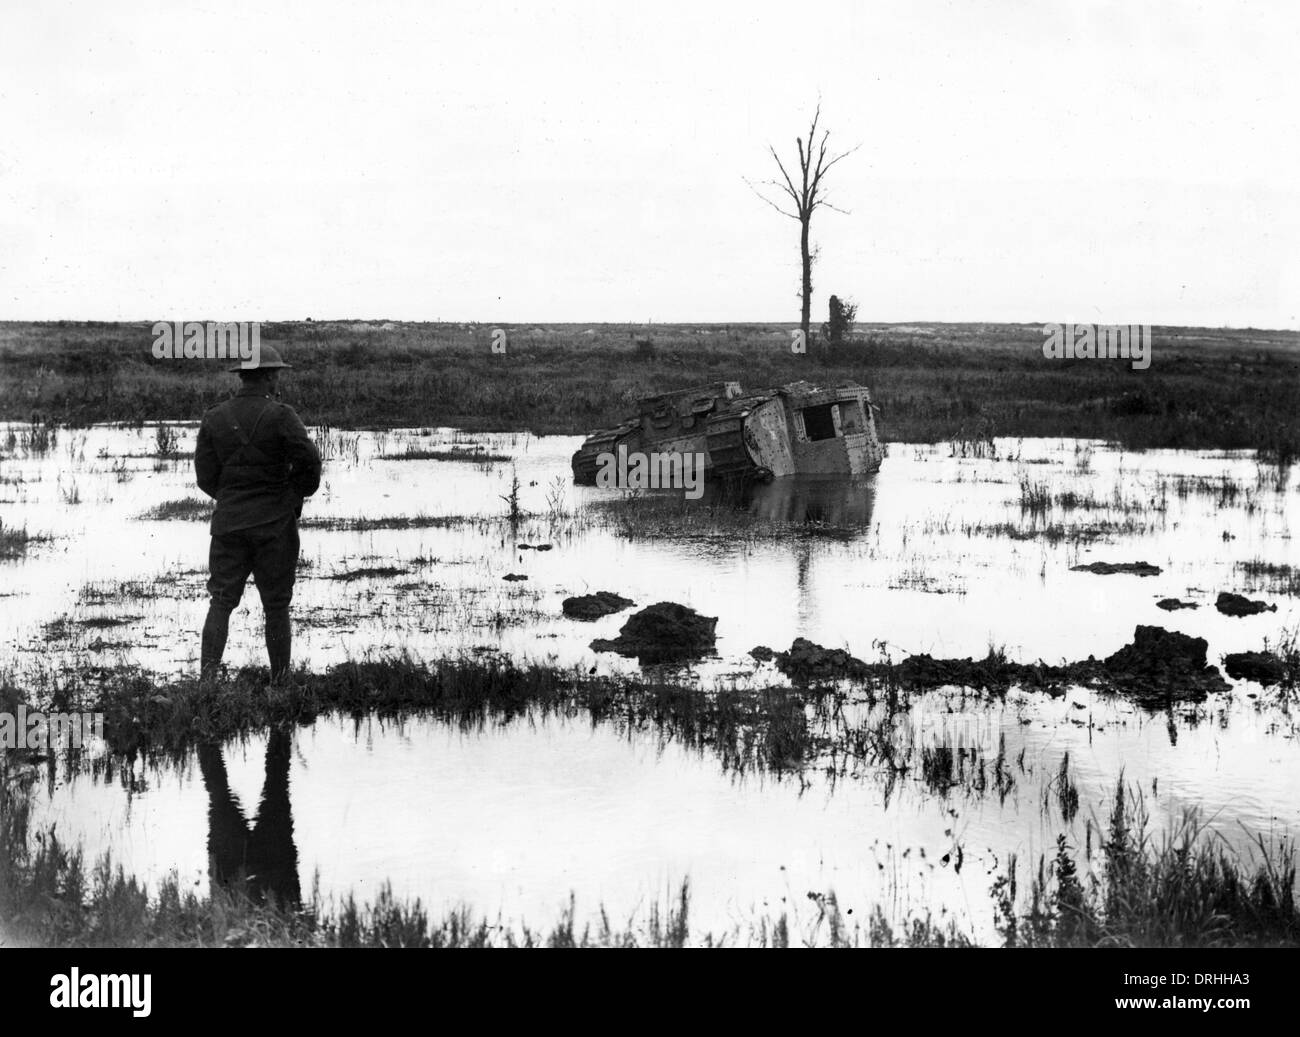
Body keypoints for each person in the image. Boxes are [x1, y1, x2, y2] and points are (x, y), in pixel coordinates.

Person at [194, 345, 321, 682]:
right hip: (275, 527)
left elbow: (205, 477)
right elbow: (310, 463)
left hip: (229, 525)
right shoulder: (282, 415)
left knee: (220, 601)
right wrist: (292, 496)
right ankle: (280, 681)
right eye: (276, 373)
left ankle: (207, 682)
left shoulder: (214, 417)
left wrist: (233, 499)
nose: (278, 379)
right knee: (276, 606)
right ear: (266, 376)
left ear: (242, 376)